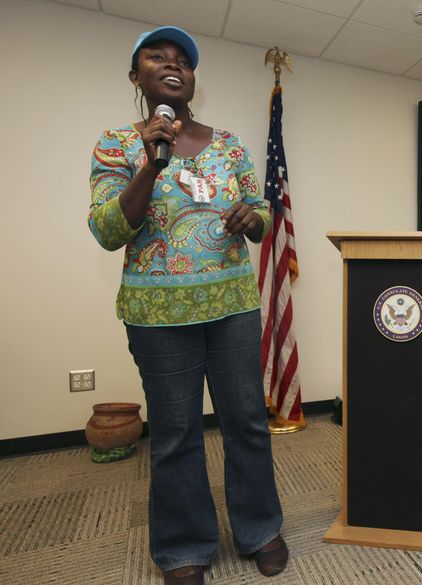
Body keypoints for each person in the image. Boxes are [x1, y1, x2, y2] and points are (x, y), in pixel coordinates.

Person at [88, 26, 287, 585]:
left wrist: (253, 219)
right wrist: (152, 164)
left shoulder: (230, 145)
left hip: (232, 307)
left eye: (183, 60)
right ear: (137, 76)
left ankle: (260, 530)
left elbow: (261, 211)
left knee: (247, 422)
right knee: (176, 433)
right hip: (158, 318)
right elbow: (107, 230)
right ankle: (183, 549)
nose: (174, 65)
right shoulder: (116, 145)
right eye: (159, 57)